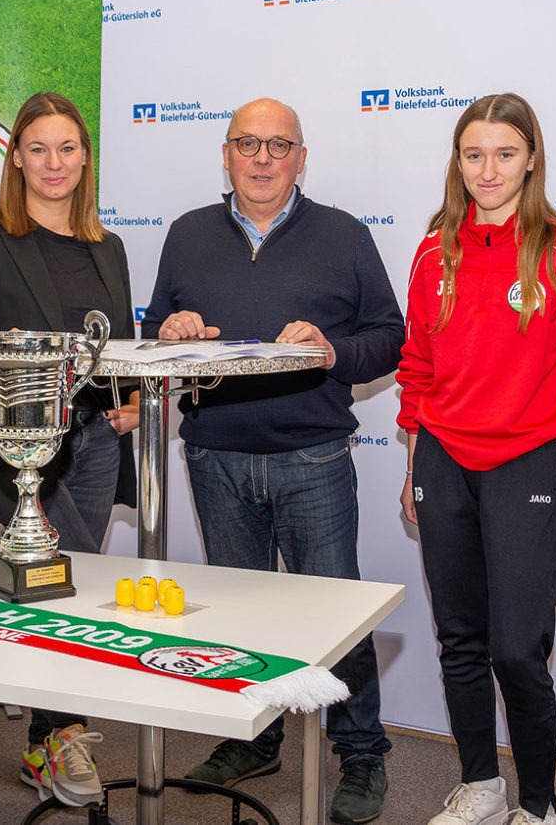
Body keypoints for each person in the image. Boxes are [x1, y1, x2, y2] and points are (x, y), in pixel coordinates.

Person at [142, 97, 403, 825]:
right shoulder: (187, 233)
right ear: (226, 154)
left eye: (278, 145)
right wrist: (169, 328)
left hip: (311, 455)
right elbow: (154, 324)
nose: (262, 159)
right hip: (215, 456)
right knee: (242, 614)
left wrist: (333, 351)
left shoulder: (344, 234)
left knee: (336, 615)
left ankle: (360, 753)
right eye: (247, 144)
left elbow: (389, 335)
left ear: (301, 157)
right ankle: (253, 738)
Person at [397, 94, 556, 825]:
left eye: (504, 154)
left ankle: (539, 807)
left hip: (529, 463)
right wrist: (413, 463)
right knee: (459, 637)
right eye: (473, 154)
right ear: (457, 162)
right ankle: (481, 787)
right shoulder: (435, 250)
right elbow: (417, 367)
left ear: (531, 160)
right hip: (444, 462)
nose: (488, 170)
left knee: (517, 649)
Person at [0, 91, 138, 808]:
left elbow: (116, 347)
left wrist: (128, 404)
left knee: (67, 584)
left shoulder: (108, 248)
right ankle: (65, 734)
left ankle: (45, 743)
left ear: (84, 159)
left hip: (96, 444)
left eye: (66, 148)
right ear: (16, 157)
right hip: (25, 446)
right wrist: (22, 399)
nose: (53, 163)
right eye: (38, 149)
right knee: (68, 585)